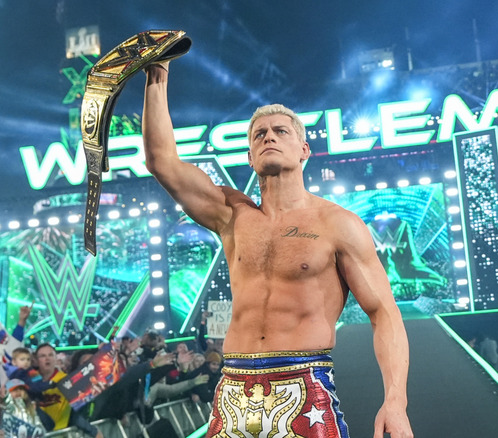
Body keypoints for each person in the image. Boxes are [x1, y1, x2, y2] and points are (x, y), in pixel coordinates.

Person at [142, 62, 412, 438]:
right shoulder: (230, 214)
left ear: (303, 150)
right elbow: (162, 163)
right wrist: (157, 75)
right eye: (258, 135)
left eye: (280, 131)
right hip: (234, 389)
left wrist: (395, 401)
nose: (268, 136)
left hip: (303, 386)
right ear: (250, 158)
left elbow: (384, 313)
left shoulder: (339, 224)